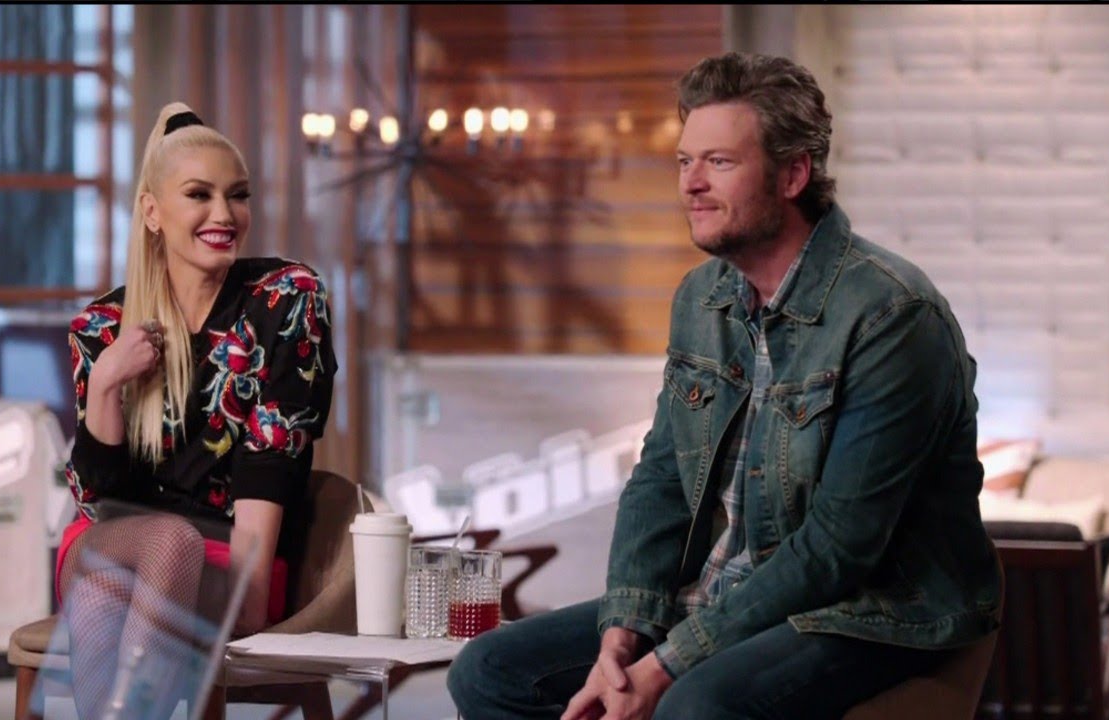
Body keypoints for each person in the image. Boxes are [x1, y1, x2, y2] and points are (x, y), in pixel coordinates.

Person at [447, 51, 1001, 720]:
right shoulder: (702, 298)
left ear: (793, 174)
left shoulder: (892, 315)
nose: (691, 184)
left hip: (868, 610)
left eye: (719, 161)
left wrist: (667, 664)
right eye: (685, 161)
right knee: (488, 670)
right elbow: (660, 480)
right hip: (719, 595)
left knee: (694, 705)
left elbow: (841, 545)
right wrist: (621, 635)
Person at [55, 102, 336, 719]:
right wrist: (104, 386)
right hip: (114, 544)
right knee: (153, 549)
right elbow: (100, 504)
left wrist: (251, 599)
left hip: (228, 562)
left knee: (127, 580)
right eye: (199, 195)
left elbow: (272, 458)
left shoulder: (286, 300)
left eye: (238, 195)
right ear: (152, 212)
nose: (224, 214)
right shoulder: (102, 328)